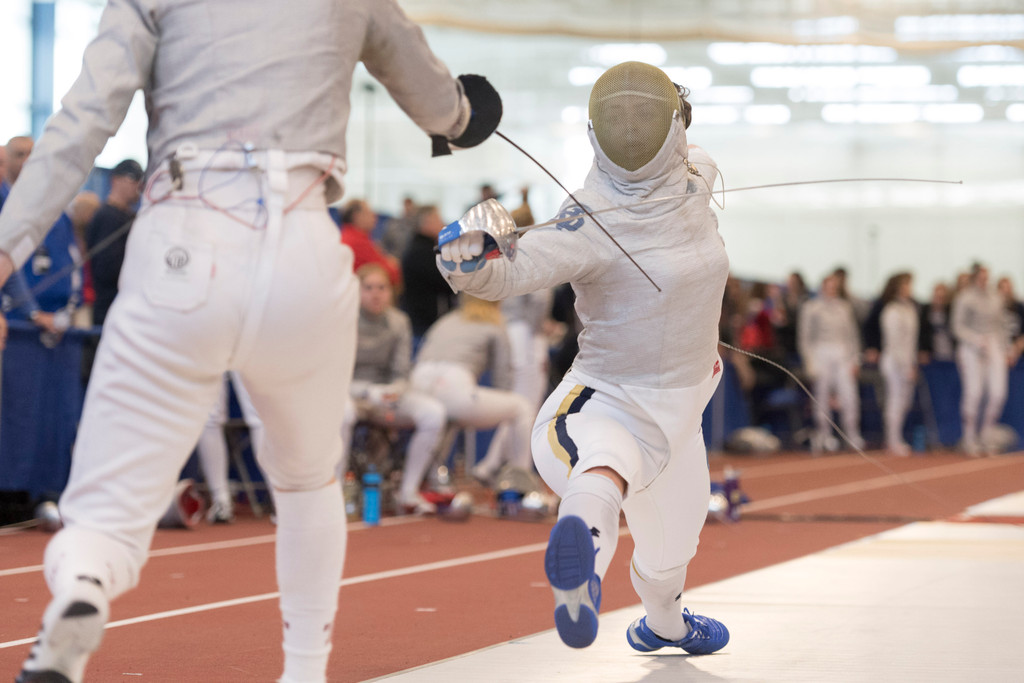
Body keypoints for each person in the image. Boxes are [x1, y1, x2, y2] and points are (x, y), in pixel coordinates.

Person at [0, 1, 500, 681]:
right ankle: (303, 670)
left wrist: (4, 251)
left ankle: (85, 586)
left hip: (184, 241)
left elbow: (80, 127)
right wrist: (469, 115)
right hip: (305, 247)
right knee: (305, 479)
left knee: (106, 513)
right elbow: (441, 104)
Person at [437, 62, 729, 654]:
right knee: (604, 464)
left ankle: (665, 625)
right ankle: (582, 578)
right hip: (606, 401)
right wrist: (463, 253)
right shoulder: (585, 220)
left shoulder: (697, 176)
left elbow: (697, 156)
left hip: (681, 418)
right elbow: (508, 272)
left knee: (674, 550)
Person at [345, 263, 446, 513]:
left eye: (382, 288)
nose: (376, 294)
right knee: (343, 414)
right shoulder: (343, 320)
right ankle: (337, 494)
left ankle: (408, 492)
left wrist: (394, 391)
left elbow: (402, 372)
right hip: (350, 394)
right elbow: (333, 374)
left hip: (387, 396)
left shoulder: (399, 322)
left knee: (433, 412)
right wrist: (367, 392)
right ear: (356, 291)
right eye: (368, 288)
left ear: (391, 292)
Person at [410, 295, 535, 485]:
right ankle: (522, 482)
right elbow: (503, 381)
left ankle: (434, 478)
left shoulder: (448, 319)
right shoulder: (494, 323)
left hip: (418, 383)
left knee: (448, 418)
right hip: (453, 386)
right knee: (522, 407)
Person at [797, 273, 865, 452]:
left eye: (835, 287)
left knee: (849, 395)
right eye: (829, 286)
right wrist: (809, 362)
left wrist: (855, 359)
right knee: (821, 396)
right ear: (822, 287)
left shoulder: (844, 307)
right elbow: (805, 338)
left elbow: (852, 336)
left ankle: (852, 434)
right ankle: (825, 434)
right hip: (820, 353)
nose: (831, 290)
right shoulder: (811, 307)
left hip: (842, 354)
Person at [951, 264, 1008, 454]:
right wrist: (975, 340)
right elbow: (957, 327)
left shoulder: (995, 297)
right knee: (974, 393)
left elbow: (1001, 326)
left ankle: (986, 434)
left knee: (997, 393)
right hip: (971, 348)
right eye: (981, 277)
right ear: (975, 278)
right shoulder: (964, 298)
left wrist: (1003, 348)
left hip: (993, 346)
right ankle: (969, 437)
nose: (985, 280)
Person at [86, 159, 143, 326]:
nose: (138, 187)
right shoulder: (108, 216)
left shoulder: (131, 217)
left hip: (126, 307)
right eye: (133, 180)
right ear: (115, 179)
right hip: (110, 309)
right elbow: (106, 269)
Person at [400, 204, 458, 340]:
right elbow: (448, 283)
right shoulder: (422, 252)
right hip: (424, 322)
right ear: (426, 223)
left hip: (424, 319)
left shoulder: (423, 248)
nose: (442, 223)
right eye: (437, 219)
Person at [878, 272, 919, 455]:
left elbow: (911, 341)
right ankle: (892, 440)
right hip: (894, 362)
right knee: (895, 400)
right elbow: (894, 342)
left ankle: (896, 438)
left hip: (907, 361)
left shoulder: (910, 308)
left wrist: (912, 363)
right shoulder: (892, 310)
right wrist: (905, 366)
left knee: (905, 402)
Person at [339, 198, 402, 287]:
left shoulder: (350, 236)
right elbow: (391, 274)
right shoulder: (357, 241)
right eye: (369, 213)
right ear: (357, 216)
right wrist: (393, 263)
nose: (374, 217)